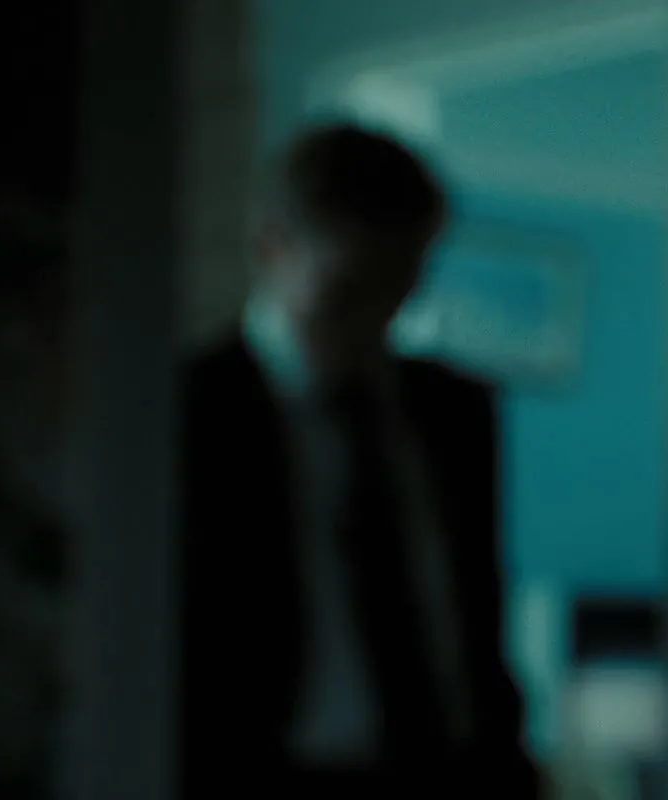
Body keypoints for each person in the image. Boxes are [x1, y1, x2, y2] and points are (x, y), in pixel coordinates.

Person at [180, 123, 538, 798]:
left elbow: (474, 606)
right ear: (272, 246)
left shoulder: (454, 410)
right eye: (349, 289)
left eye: (400, 285)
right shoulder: (190, 413)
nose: (377, 317)